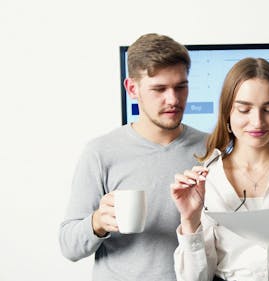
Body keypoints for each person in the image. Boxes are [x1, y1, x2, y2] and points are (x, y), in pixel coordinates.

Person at [170, 57, 269, 281]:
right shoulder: (209, 180)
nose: (257, 122)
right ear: (228, 114)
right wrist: (190, 220)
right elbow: (194, 278)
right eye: (244, 109)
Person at [59, 33, 207, 281]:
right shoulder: (100, 152)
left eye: (181, 87)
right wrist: (97, 222)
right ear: (132, 89)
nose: (173, 99)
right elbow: (69, 246)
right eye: (159, 89)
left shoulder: (212, 148)